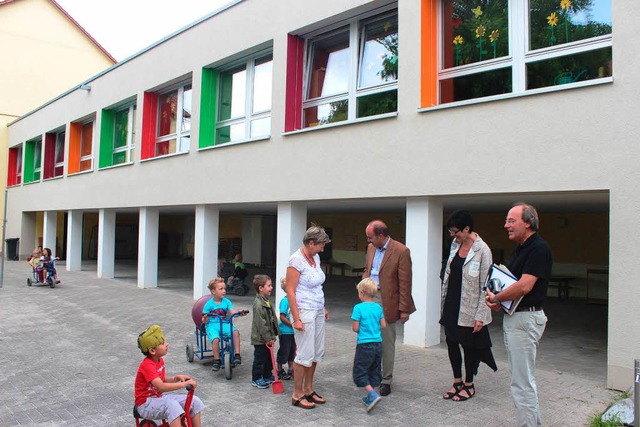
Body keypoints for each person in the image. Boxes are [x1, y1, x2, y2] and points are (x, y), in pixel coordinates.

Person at [485, 203, 552, 426]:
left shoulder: (538, 248)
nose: (506, 225)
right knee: (523, 380)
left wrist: (497, 298)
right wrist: (499, 301)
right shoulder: (522, 248)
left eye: (511, 221)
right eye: (507, 221)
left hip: (525, 321)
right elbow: (511, 287)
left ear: (528, 223)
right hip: (516, 317)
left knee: (522, 383)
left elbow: (524, 286)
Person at [440, 210, 497, 402]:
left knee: (469, 345)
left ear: (467, 229)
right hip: (451, 303)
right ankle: (457, 381)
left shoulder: (483, 250)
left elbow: (486, 285)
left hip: (470, 308)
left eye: (456, 231)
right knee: (451, 342)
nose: (452, 235)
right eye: (451, 231)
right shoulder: (454, 245)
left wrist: (481, 314)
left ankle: (469, 384)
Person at [362, 220, 416, 396]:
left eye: (371, 237)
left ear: (381, 236)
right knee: (368, 338)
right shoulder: (371, 248)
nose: (368, 241)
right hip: (369, 297)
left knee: (386, 342)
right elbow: (367, 269)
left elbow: (405, 282)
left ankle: (386, 379)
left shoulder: (401, 251)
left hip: (387, 301)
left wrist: (405, 309)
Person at [285, 224, 331, 409]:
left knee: (316, 352)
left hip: (317, 309)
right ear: (311, 243)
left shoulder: (316, 257)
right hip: (303, 310)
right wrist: (296, 318)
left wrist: (323, 306)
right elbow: (290, 290)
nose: (322, 248)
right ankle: (297, 394)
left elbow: (317, 286)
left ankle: (308, 389)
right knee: (304, 353)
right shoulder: (295, 261)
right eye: (320, 245)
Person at [134, 324, 204, 427]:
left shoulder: (159, 360)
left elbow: (160, 380)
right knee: (172, 406)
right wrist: (184, 384)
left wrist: (175, 378)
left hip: (159, 397)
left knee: (195, 401)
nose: (167, 344)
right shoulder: (147, 365)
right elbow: (160, 386)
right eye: (162, 343)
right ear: (152, 351)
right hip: (145, 404)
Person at [351, 278, 386, 412]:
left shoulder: (358, 308)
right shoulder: (378, 307)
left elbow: (355, 328)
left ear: (362, 293)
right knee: (374, 369)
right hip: (378, 343)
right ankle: (371, 393)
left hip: (364, 344)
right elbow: (383, 325)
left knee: (360, 371)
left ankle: (372, 394)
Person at [201, 277, 243, 372]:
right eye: (221, 289)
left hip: (224, 323)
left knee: (235, 332)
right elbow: (204, 320)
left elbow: (232, 312)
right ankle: (217, 360)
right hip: (212, 325)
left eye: (224, 288)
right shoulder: (208, 304)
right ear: (213, 291)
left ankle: (237, 355)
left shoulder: (227, 302)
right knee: (215, 339)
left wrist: (238, 313)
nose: (224, 291)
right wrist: (205, 318)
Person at [250, 274, 279, 389]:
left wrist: (273, 335)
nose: (271, 288)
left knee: (268, 358)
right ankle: (256, 378)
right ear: (260, 288)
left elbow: (271, 319)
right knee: (260, 359)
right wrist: (268, 338)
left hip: (267, 337)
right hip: (260, 339)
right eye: (269, 286)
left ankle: (267, 375)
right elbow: (261, 324)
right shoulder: (258, 304)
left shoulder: (266, 301)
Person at [276, 277, 295, 380]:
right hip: (285, 331)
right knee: (284, 350)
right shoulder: (285, 301)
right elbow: (282, 317)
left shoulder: (295, 300)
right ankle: (279, 369)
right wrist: (293, 324)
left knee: (292, 350)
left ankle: (291, 368)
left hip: (293, 332)